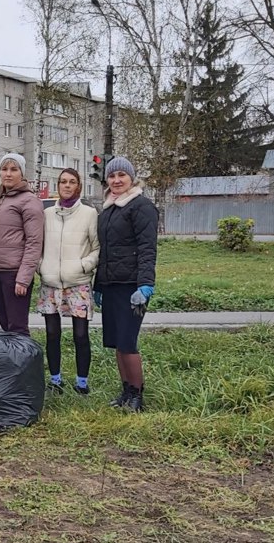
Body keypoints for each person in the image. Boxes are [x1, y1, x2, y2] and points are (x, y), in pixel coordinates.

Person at [94, 156, 158, 412]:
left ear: (132, 178)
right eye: (111, 176)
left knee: (128, 343)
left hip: (132, 287)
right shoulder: (109, 209)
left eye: (121, 175)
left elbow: (147, 248)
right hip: (111, 284)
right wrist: (99, 284)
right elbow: (104, 251)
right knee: (117, 342)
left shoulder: (141, 206)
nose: (116, 180)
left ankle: (137, 396)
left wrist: (145, 284)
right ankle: (126, 391)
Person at [37, 168, 100, 395]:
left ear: (78, 186)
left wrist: (84, 265)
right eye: (63, 181)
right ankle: (55, 380)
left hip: (78, 283)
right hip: (51, 282)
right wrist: (41, 267)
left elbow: (97, 247)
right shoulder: (46, 214)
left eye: (72, 182)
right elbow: (37, 245)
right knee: (52, 333)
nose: (67, 185)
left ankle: (82, 382)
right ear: (58, 186)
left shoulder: (89, 213)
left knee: (80, 335)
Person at [0, 153, 44, 335]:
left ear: (22, 174)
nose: (8, 174)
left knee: (17, 328)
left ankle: (24, 363)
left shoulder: (29, 201)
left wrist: (23, 278)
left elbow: (34, 242)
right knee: (5, 325)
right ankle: (11, 362)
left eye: (14, 169)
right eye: (4, 169)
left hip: (14, 274)